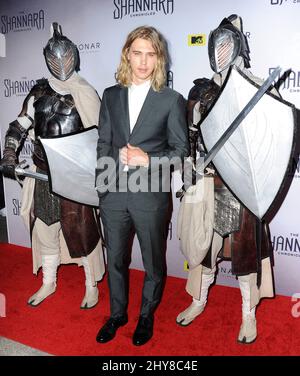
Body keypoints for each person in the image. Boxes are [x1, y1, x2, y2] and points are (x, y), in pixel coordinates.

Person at [176, 15, 277, 344]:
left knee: (245, 254)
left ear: (238, 47)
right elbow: (189, 139)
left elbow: (275, 137)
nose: (220, 52)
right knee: (203, 250)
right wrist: (188, 169)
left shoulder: (255, 87)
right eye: (215, 46)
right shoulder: (200, 91)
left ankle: (249, 313)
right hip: (207, 183)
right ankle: (198, 301)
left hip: (240, 186)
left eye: (226, 45)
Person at [95, 26, 189, 346]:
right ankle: (118, 314)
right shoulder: (111, 95)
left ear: (159, 58)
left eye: (151, 54)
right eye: (138, 52)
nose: (143, 61)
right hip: (114, 195)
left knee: (153, 262)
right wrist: (103, 189)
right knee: (116, 260)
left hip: (150, 197)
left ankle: (146, 315)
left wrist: (147, 159)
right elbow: (103, 143)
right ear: (127, 54)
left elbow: (180, 153)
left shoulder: (171, 100)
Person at [0, 22, 105, 309]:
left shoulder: (86, 92)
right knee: (45, 229)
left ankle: (90, 284)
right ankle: (48, 282)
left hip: (75, 179)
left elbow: (101, 140)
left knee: (82, 231)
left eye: (66, 57)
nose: (61, 63)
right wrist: (10, 153)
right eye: (55, 58)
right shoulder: (38, 93)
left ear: (74, 57)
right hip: (43, 175)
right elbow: (18, 127)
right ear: (47, 60)